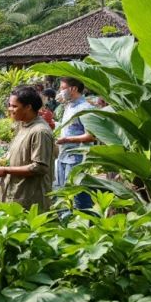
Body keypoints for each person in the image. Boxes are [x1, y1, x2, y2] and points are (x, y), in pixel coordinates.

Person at [0, 87, 57, 211]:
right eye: (9, 105)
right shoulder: (23, 125)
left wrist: (5, 170)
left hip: (30, 199)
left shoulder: (40, 131)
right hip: (15, 194)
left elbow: (39, 167)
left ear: (28, 107)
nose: (10, 109)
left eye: (14, 106)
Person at [54, 77, 96, 210]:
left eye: (62, 88)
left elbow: (91, 136)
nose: (60, 92)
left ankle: (85, 222)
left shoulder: (85, 108)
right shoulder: (69, 106)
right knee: (65, 193)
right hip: (64, 155)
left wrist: (66, 140)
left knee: (78, 194)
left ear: (73, 89)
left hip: (77, 157)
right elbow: (69, 129)